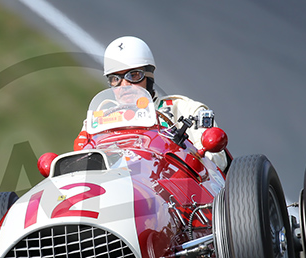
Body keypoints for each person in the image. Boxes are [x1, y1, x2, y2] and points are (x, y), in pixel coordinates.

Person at [75, 36, 229, 172]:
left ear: (148, 77)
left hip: (173, 188)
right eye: (116, 79)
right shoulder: (98, 121)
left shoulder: (184, 109)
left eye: (133, 76)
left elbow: (216, 161)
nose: (125, 85)